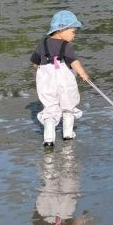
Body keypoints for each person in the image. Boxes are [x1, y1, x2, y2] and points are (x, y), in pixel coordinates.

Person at [30, 9, 89, 146]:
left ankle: (49, 138)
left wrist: (43, 71)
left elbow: (35, 63)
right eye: (73, 31)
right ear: (62, 29)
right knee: (68, 104)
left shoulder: (42, 44)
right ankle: (67, 134)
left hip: (46, 79)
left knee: (50, 107)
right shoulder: (65, 45)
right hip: (64, 78)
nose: (74, 35)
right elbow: (73, 62)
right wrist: (82, 74)